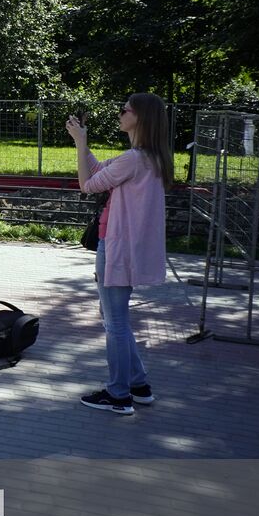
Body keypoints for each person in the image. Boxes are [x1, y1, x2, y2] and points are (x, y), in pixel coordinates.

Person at [66, 93, 173, 415]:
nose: (120, 112)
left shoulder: (134, 159)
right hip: (125, 248)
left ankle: (118, 394)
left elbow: (87, 185)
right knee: (116, 319)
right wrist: (82, 144)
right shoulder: (148, 157)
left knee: (115, 323)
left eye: (124, 109)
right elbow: (99, 170)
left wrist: (80, 142)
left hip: (116, 249)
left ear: (139, 117)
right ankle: (138, 385)